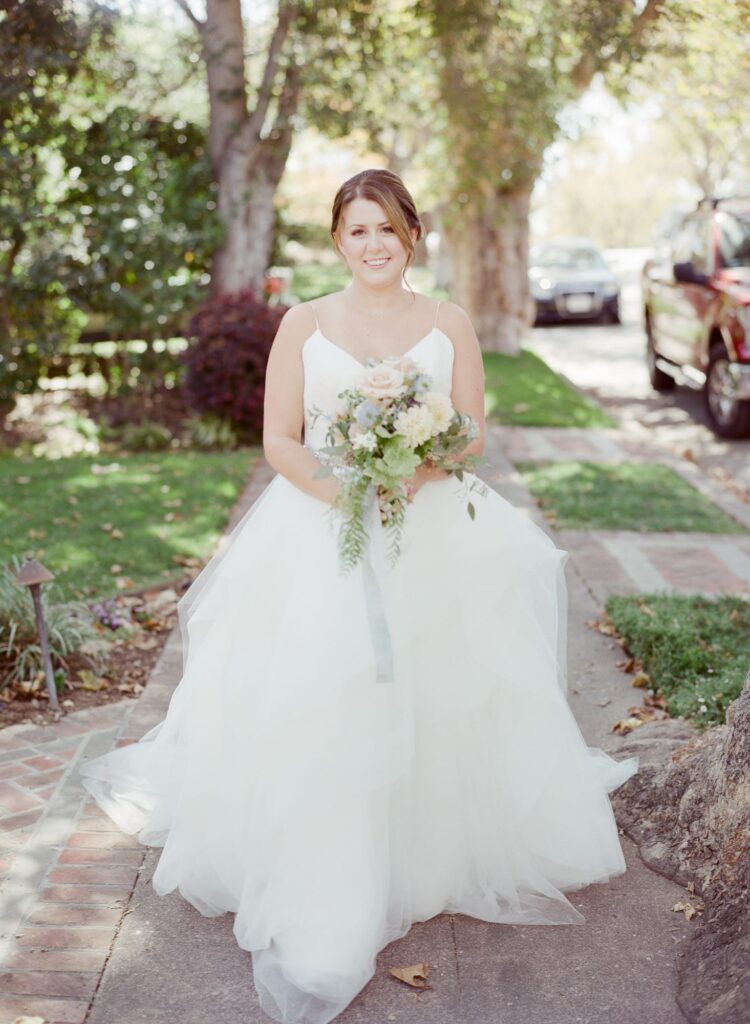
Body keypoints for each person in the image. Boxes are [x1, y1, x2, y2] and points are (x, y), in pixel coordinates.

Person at [79, 168, 638, 1024]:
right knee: (329, 692)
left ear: (411, 234)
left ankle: (431, 850)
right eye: (356, 231)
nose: (373, 244)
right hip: (322, 528)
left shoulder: (450, 324)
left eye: (387, 228)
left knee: (445, 681)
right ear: (338, 241)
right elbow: (278, 440)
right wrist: (345, 490)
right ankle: (333, 867)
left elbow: (471, 431)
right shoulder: (304, 323)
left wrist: (411, 472)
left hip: (432, 524)